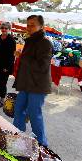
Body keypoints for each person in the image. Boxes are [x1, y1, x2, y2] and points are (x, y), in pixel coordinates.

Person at [13, 15, 52, 146]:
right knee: (18, 110)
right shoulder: (29, 41)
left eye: (32, 25)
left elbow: (42, 66)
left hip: (38, 85)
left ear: (41, 26)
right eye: (27, 24)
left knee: (34, 114)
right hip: (26, 83)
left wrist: (22, 57)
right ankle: (17, 136)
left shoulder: (45, 43)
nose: (29, 27)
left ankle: (42, 143)